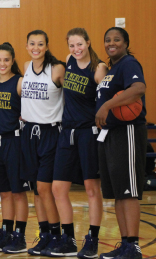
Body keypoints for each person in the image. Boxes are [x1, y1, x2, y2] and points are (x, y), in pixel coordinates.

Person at [51, 28, 108, 258]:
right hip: (68, 132)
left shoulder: (99, 68)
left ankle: (92, 239)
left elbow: (106, 103)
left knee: (92, 189)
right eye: (72, 45)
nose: (76, 49)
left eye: (80, 45)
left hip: (89, 133)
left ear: (88, 42)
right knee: (58, 188)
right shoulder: (68, 62)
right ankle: (69, 239)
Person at [96, 27, 147, 259]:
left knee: (128, 192)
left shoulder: (129, 63)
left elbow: (138, 89)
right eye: (107, 40)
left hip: (127, 132)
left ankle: (134, 246)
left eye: (116, 39)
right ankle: (126, 244)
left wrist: (107, 106)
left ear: (126, 42)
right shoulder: (111, 69)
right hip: (110, 134)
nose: (111, 43)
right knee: (118, 193)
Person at [20, 30, 66, 256]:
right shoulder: (27, 65)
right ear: (27, 46)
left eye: (40, 44)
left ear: (47, 46)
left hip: (51, 132)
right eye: (32, 43)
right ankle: (44, 235)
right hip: (29, 132)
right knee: (36, 192)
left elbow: (73, 96)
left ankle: (57, 235)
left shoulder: (57, 68)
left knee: (44, 187)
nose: (35, 47)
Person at [0, 43, 30, 254]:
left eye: (6, 60)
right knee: (4, 192)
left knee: (18, 191)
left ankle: (19, 236)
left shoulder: (19, 82)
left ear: (13, 61)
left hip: (15, 141)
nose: (2, 64)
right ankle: (6, 232)